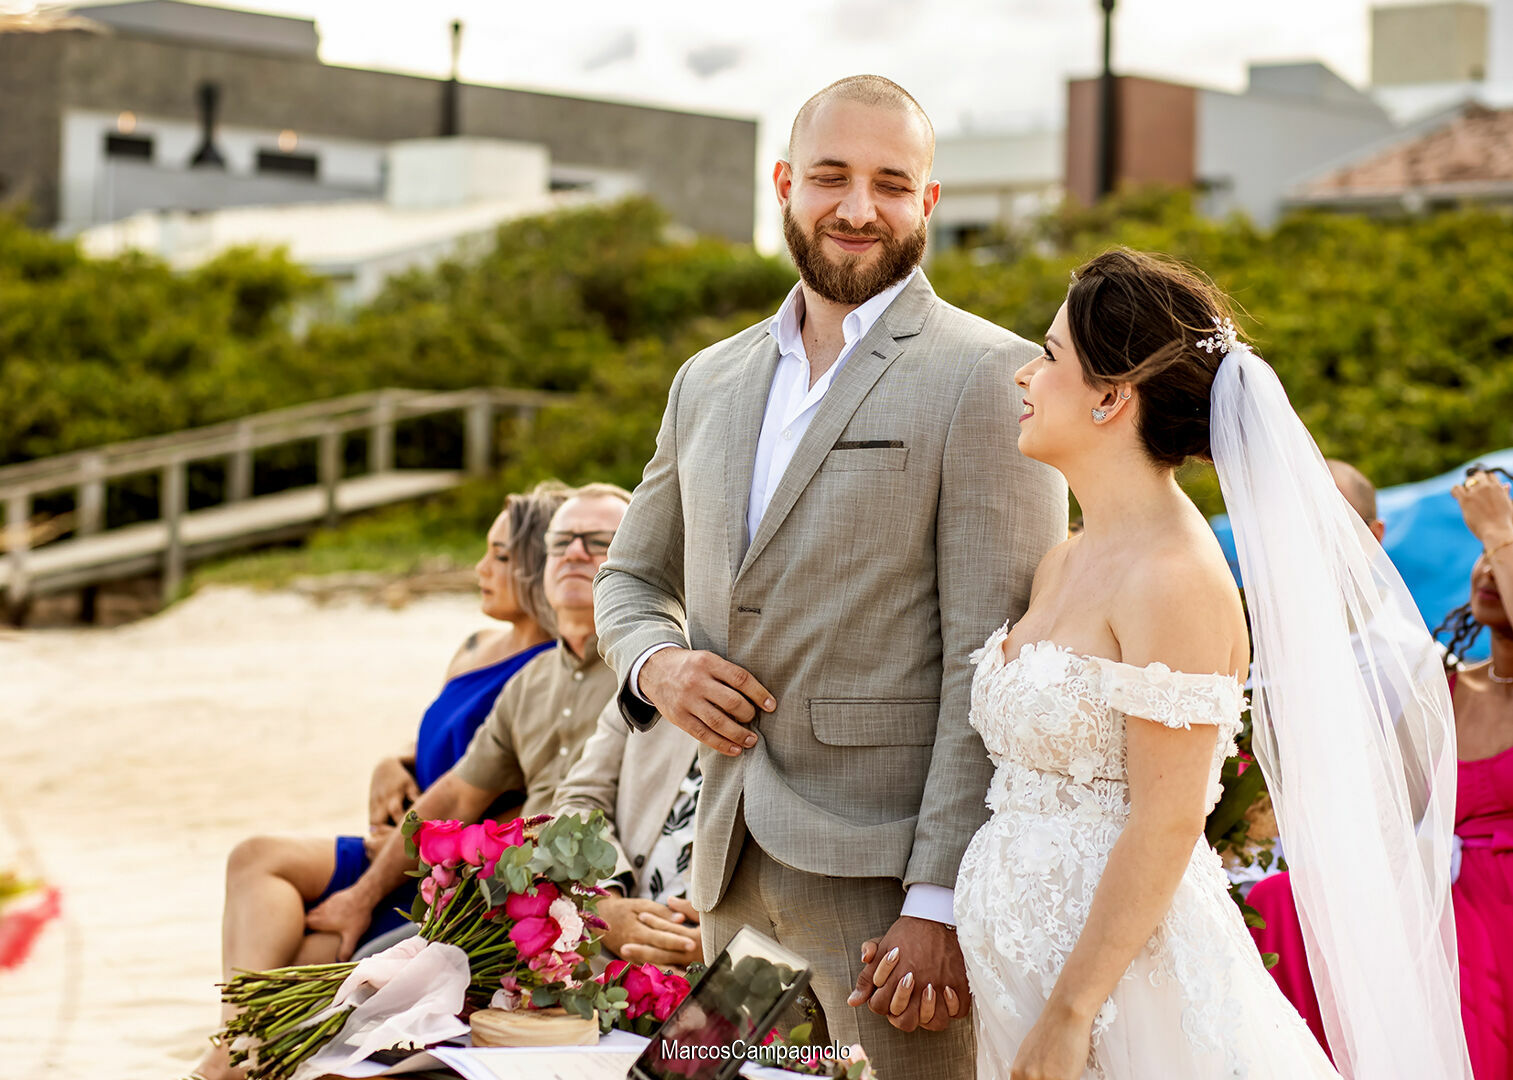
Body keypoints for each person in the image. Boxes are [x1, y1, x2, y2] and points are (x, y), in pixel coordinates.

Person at [592, 75, 1067, 1080]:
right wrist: (656, 671)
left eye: (891, 183)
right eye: (831, 177)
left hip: (884, 893)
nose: (858, 208)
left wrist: (938, 899)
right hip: (722, 868)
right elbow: (632, 578)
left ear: (929, 201)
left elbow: (996, 662)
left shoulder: (990, 376)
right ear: (783, 184)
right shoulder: (706, 379)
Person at [927, 249, 1468, 1079]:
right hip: (1020, 971)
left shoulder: (1173, 577)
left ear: (1111, 396)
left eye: (1048, 355)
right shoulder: (1061, 561)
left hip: (1126, 995)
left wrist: (1071, 1014)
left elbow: (1168, 820)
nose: (1023, 377)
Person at [192, 482, 566, 1080]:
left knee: (294, 953)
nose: (480, 568)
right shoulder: (475, 646)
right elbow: (434, 739)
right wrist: (391, 761)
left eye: (499, 556)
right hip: (399, 837)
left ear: (534, 567)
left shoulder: (548, 672)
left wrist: (392, 863)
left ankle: (229, 1058)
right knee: (255, 857)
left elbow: (486, 789)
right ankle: (238, 1043)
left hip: (435, 866)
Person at [1250, 466, 1513, 1078]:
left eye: (1501, 554)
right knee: (1281, 903)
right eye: (1485, 553)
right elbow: (1377, 815)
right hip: (1444, 909)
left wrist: (1499, 527)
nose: (1487, 567)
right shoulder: (1446, 689)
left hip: (1496, 917)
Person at [303, 483, 630, 962]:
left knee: (367, 979)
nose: (575, 553)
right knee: (335, 956)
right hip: (505, 902)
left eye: (599, 541)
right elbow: (455, 794)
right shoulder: (529, 681)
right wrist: (363, 895)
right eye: (560, 543)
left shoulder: (653, 672)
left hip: (598, 904)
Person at [553, 700, 704, 968]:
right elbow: (578, 800)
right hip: (601, 951)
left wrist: (728, 947)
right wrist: (602, 901)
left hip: (726, 981)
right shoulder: (644, 677)